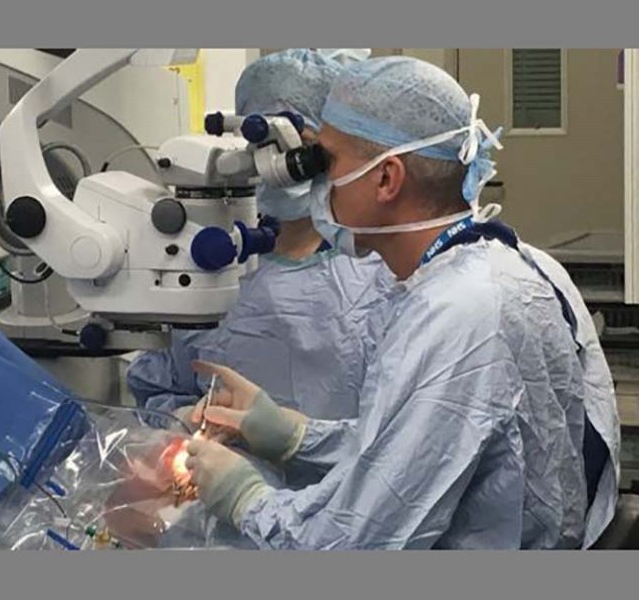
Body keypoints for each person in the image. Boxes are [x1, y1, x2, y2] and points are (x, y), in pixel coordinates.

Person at [184, 56, 617, 549]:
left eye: (326, 161)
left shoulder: (454, 314)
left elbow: (352, 545)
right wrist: (296, 437)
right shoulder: (509, 264)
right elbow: (421, 452)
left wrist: (246, 498)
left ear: (386, 179)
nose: (314, 184)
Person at [127, 49, 393, 444]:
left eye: (299, 148)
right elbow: (157, 389)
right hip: (216, 477)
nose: (276, 163)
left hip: (347, 483)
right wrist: (183, 419)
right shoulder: (202, 265)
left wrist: (296, 441)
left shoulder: (381, 275)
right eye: (260, 146)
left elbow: (404, 431)